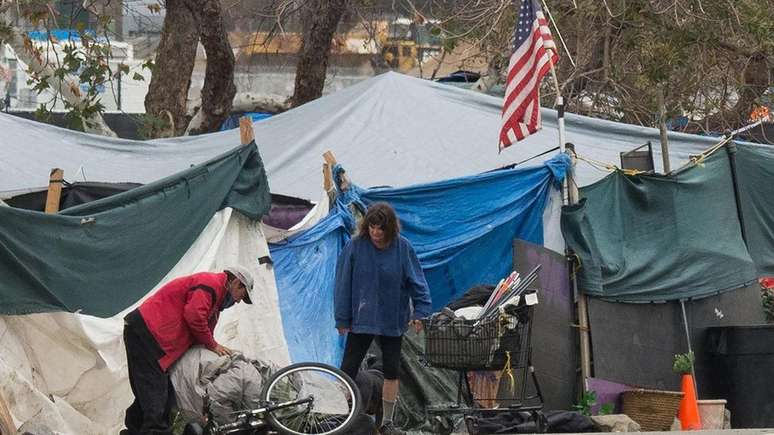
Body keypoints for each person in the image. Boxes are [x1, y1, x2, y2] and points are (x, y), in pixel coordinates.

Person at [334, 202, 432, 435]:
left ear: (390, 229)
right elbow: (342, 283)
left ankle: (387, 421)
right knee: (347, 368)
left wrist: (421, 311)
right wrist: (342, 317)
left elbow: (417, 281)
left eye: (380, 229)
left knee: (391, 370)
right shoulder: (355, 247)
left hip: (392, 318)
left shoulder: (402, 248)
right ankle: (338, 414)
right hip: (362, 317)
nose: (376, 233)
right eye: (372, 228)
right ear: (366, 227)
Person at [122, 266, 254, 435]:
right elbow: (193, 315)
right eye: (240, 297)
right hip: (147, 334)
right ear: (236, 282)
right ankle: (154, 431)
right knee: (157, 396)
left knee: (159, 393)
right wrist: (213, 345)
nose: (237, 302)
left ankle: (133, 429)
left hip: (157, 341)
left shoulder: (216, 304)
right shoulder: (211, 283)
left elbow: (201, 336)